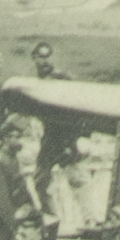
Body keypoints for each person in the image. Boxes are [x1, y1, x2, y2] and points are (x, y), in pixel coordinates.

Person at [27, 43, 89, 228]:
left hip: (64, 137)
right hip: (50, 138)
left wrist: (73, 137)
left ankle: (91, 218)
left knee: (77, 179)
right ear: (34, 59)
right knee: (40, 181)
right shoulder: (38, 81)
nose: (45, 61)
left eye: (47, 56)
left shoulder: (61, 78)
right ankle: (51, 217)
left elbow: (76, 108)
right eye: (41, 57)